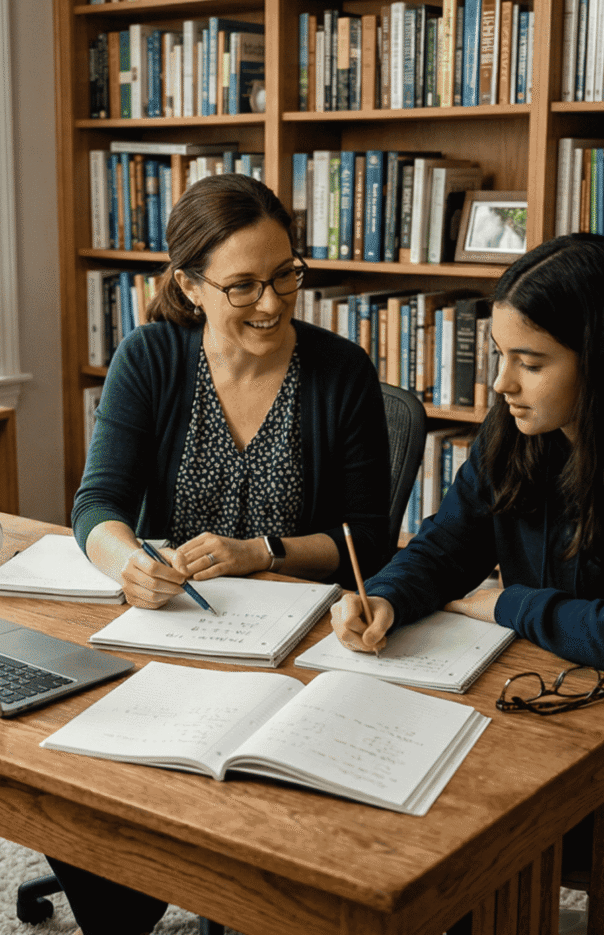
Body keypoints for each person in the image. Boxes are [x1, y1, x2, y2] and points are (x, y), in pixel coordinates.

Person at [330, 232, 604, 868]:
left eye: (531, 362)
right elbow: (449, 546)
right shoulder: (523, 426)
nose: (502, 383)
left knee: (462, 830)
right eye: (502, 356)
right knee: (381, 779)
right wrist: (387, 595)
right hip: (543, 690)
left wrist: (509, 604)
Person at [55, 172, 392, 935]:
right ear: (190, 284)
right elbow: (96, 504)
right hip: (172, 637)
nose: (271, 303)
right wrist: (127, 564)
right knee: (72, 783)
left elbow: (366, 540)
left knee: (254, 871)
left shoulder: (340, 373)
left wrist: (262, 552)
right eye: (243, 285)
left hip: (299, 656)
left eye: (285, 275)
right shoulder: (151, 358)